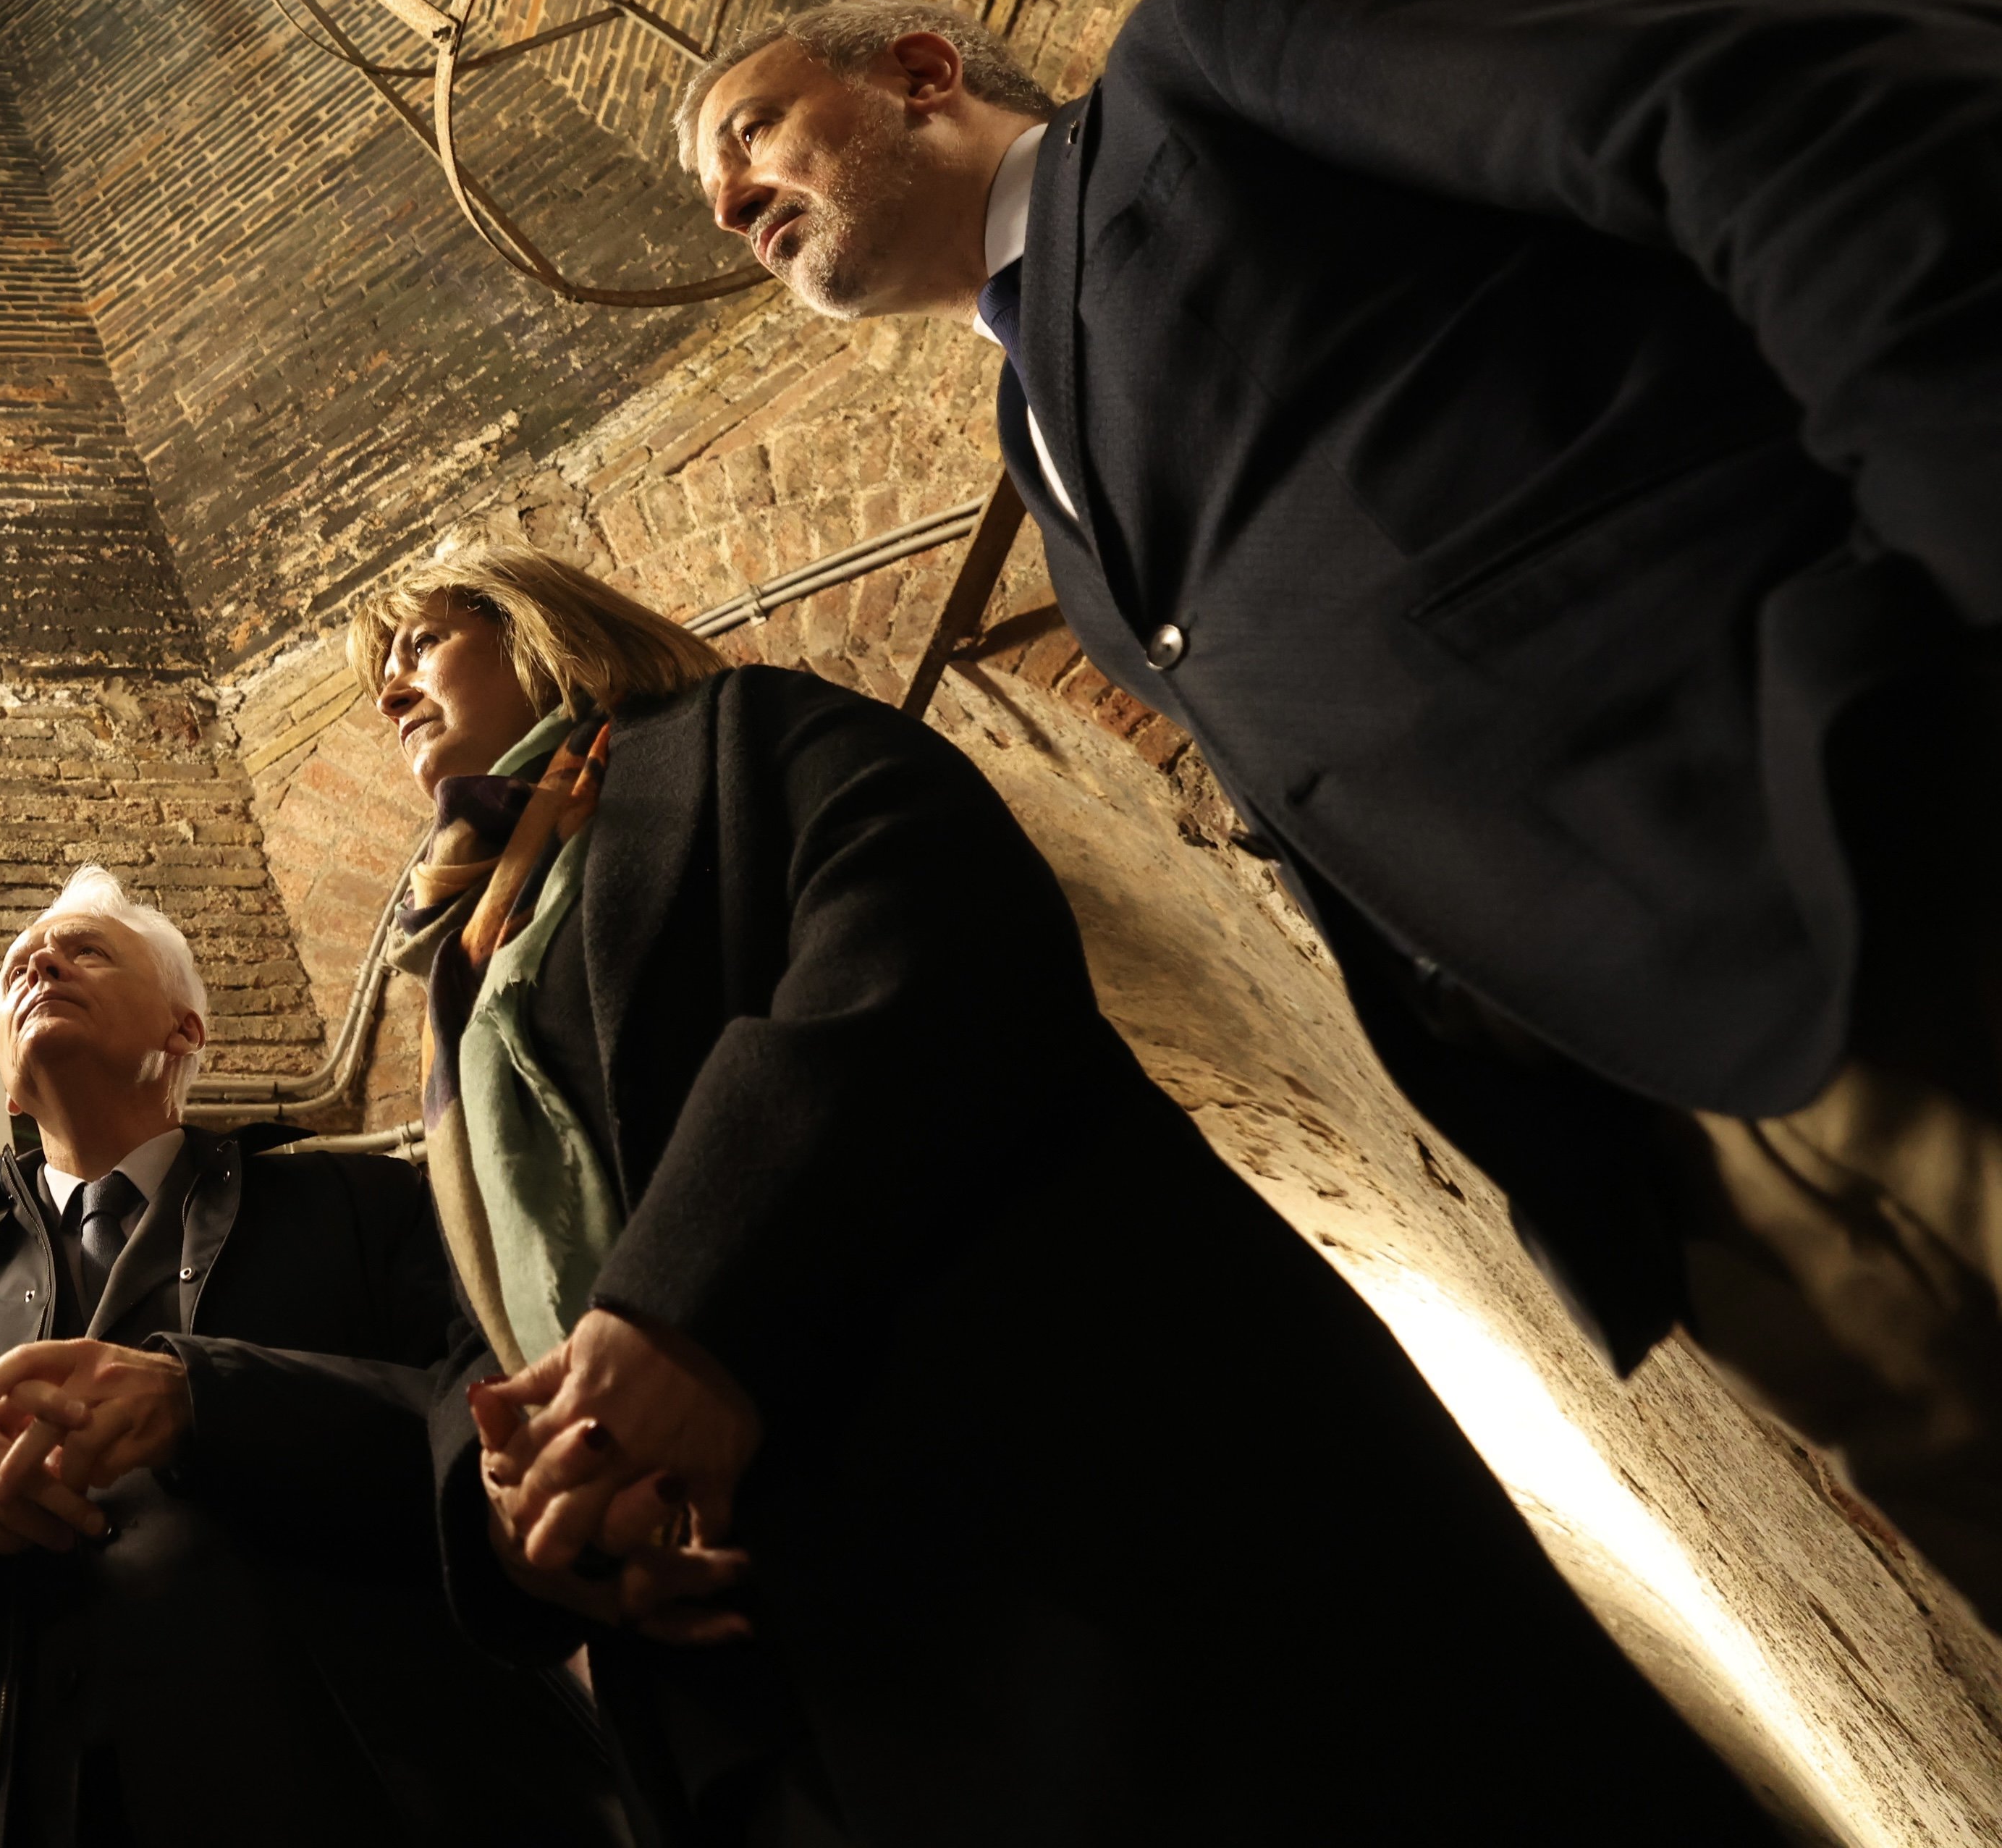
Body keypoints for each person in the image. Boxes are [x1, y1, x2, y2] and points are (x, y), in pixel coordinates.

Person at [679, 0, 2002, 1616]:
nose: (731, 204)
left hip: (1895, 882)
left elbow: (1778, 103)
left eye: (751, 131)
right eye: (714, 191)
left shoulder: (1204, 63)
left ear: (922, 73)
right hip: (1702, 1175)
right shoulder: (1039, 451)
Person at [192, 545, 1761, 1843]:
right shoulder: (457, 986)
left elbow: (923, 924)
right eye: (377, 671)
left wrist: (682, 1313)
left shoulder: (742, 741)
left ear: (541, 626)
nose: (390, 685)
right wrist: (525, 1506)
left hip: (1061, 1532)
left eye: (423, 639)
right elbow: (488, 1323)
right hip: (772, 1680)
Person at [0, 868, 622, 1848]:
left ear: (185, 1030)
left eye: (86, 950)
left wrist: (210, 1400)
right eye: (17, 967)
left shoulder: (364, 1210)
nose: (40, 963)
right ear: (8, 1078)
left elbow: (505, 1445)